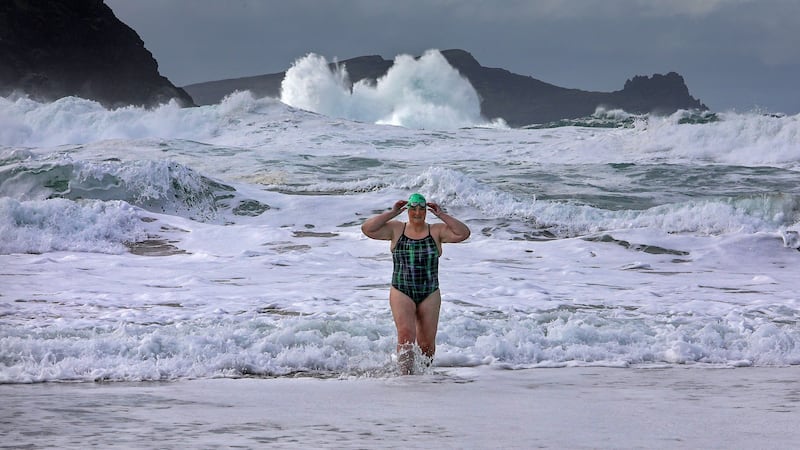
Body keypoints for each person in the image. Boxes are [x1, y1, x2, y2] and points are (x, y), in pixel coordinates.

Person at [361, 193, 471, 374]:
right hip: (401, 289)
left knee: (427, 343)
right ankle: (406, 377)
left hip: (429, 292)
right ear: (408, 210)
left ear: (426, 211)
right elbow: (368, 229)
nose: (418, 213)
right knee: (406, 337)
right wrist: (393, 212)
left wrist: (441, 215)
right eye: (413, 208)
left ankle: (424, 376)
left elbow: (463, 233)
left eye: (422, 209)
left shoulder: (436, 231)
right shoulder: (397, 229)